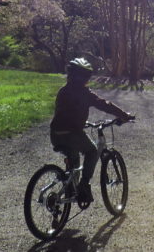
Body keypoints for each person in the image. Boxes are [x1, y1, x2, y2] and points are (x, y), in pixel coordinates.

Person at [50, 57, 134, 204]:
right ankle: (84, 185)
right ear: (86, 78)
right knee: (92, 151)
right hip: (73, 134)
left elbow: (65, 113)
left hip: (56, 134)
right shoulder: (85, 93)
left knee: (74, 163)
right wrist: (124, 115)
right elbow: (105, 104)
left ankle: (70, 191)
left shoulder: (63, 91)